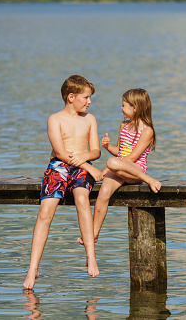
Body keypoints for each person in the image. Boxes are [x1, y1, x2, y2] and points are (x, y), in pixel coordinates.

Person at [23, 75, 103, 290]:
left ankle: (90, 256)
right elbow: (60, 152)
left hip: (80, 166)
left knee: (82, 198)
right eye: (86, 97)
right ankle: (33, 268)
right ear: (71, 97)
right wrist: (89, 167)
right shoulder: (54, 119)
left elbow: (96, 150)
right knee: (45, 211)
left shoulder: (90, 119)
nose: (89, 102)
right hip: (59, 165)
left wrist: (85, 159)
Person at [78, 88, 162, 246]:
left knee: (111, 162)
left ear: (135, 108)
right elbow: (120, 151)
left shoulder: (147, 130)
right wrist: (108, 147)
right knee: (103, 192)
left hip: (135, 171)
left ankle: (148, 179)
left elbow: (132, 158)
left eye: (124, 105)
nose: (121, 108)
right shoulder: (124, 125)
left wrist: (107, 169)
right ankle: (94, 235)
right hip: (119, 168)